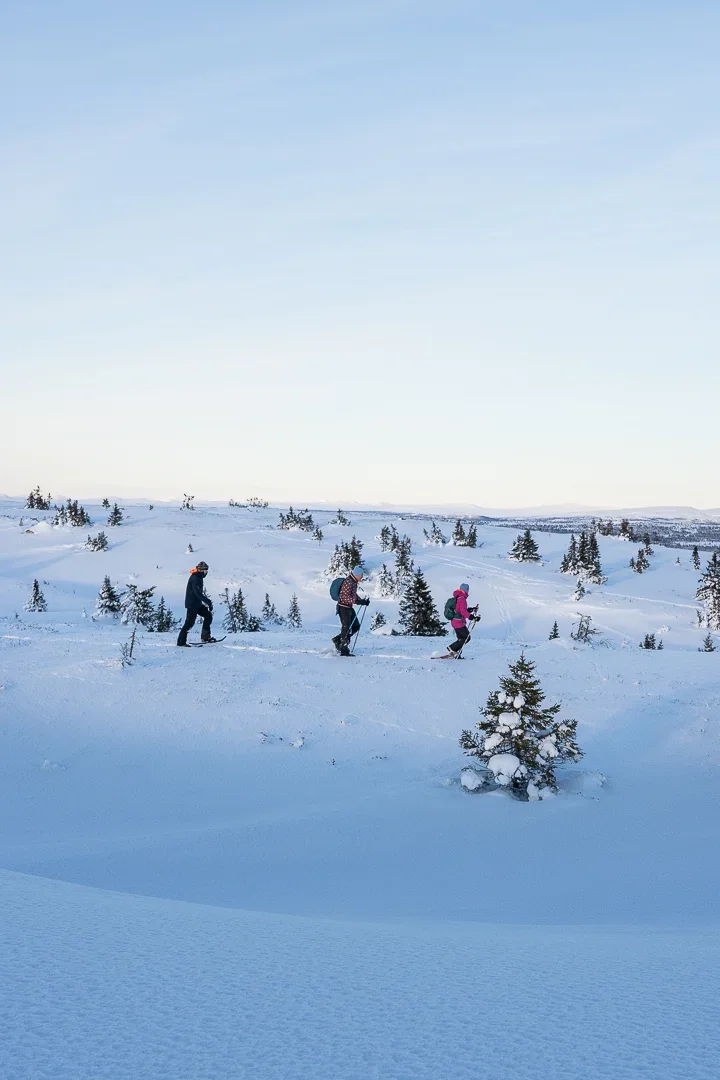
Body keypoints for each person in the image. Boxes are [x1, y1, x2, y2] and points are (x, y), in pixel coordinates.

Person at [332, 565, 370, 656]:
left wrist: (362, 601)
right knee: (346, 628)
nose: (361, 577)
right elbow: (345, 597)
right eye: (361, 575)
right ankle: (344, 650)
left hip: (348, 607)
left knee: (356, 626)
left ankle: (338, 640)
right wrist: (358, 602)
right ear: (357, 574)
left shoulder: (353, 582)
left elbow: (353, 595)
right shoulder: (348, 582)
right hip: (343, 608)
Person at [177, 561, 216, 646]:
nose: (207, 572)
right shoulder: (194, 578)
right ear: (201, 570)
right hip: (192, 605)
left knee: (208, 616)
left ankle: (205, 637)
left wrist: (207, 602)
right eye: (206, 570)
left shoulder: (199, 577)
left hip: (197, 604)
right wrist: (208, 602)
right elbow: (197, 593)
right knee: (189, 623)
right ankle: (181, 642)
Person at [447, 583, 478, 657]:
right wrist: (472, 617)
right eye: (467, 590)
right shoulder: (462, 599)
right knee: (467, 638)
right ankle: (452, 648)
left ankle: (456, 654)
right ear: (466, 590)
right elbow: (463, 612)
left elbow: (460, 610)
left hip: (454, 621)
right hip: (459, 622)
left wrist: (470, 610)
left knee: (461, 639)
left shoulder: (457, 597)